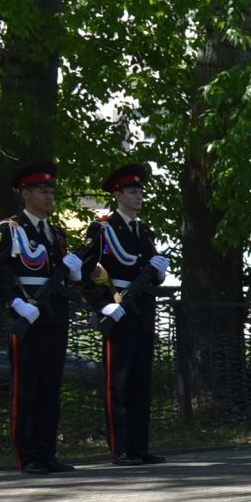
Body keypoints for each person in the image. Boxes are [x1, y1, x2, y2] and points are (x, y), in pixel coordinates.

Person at [0, 161, 80, 474]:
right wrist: (14, 303)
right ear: (25, 194)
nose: (49, 196)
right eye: (42, 190)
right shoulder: (9, 230)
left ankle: (47, 453)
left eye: (51, 190)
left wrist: (75, 276)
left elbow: (62, 276)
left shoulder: (56, 233)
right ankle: (28, 456)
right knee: (27, 387)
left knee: (50, 387)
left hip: (55, 314)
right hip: (28, 314)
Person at [81, 163, 172, 466]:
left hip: (142, 310)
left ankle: (139, 447)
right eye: (132, 191)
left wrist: (158, 274)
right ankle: (121, 449)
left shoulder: (143, 231)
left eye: (141, 191)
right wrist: (102, 304)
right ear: (117, 194)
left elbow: (147, 272)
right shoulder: (103, 228)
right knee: (118, 383)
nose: (139, 196)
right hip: (118, 309)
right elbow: (84, 271)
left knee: (140, 383)